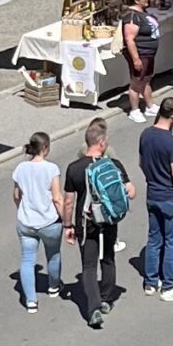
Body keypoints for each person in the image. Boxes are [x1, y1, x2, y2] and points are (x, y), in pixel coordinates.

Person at [61, 119, 129, 329]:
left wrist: (67, 226)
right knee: (107, 258)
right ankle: (107, 299)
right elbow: (131, 191)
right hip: (108, 218)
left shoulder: (74, 168)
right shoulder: (113, 165)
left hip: (85, 221)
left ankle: (93, 309)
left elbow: (69, 202)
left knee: (88, 266)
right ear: (100, 143)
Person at [137, 96, 173, 302]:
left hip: (152, 194)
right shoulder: (172, 142)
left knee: (154, 240)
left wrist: (152, 179)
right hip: (171, 197)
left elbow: (142, 163)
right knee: (172, 242)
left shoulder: (145, 135)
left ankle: (151, 282)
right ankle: (169, 286)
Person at [12, 130, 65, 312]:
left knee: (27, 260)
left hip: (26, 222)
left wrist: (23, 210)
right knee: (53, 254)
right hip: (49, 222)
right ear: (45, 148)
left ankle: (31, 301)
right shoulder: (51, 169)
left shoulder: (20, 168)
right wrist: (67, 221)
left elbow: (16, 195)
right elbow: (57, 198)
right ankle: (53, 286)